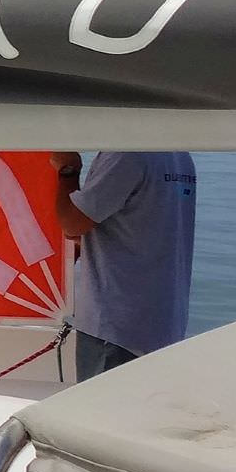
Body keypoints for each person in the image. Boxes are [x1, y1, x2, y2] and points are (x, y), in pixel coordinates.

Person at [49, 151, 197, 380]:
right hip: (162, 322)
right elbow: (142, 224)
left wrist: (68, 170)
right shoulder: (178, 153)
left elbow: (72, 222)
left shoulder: (124, 154)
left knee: (101, 412)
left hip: (115, 326)